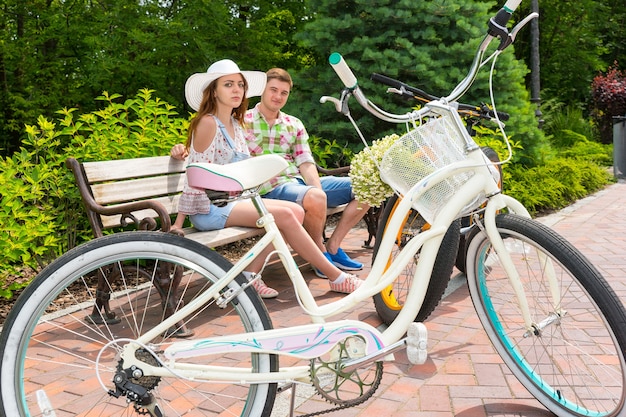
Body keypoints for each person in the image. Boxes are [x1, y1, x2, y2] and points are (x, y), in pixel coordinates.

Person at [176, 59, 362, 297]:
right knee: (284, 214)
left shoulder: (235, 123)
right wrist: (179, 223)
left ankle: (250, 277)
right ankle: (337, 277)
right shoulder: (207, 122)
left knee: (295, 212)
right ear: (213, 90)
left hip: (232, 202)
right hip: (208, 208)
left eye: (240, 85)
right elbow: (194, 174)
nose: (236, 90)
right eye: (228, 84)